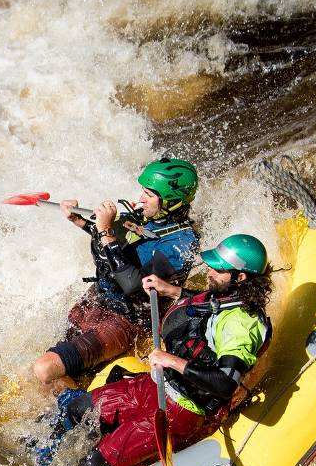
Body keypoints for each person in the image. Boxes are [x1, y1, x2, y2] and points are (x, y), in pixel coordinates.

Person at [46, 234, 274, 466]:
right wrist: (171, 290)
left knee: (93, 465)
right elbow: (208, 306)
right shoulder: (228, 296)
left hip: (180, 410)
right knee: (77, 408)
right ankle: (39, 460)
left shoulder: (242, 325)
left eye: (218, 268)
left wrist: (171, 360)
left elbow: (224, 384)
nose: (209, 270)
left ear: (240, 277)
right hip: (156, 385)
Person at [31, 158, 201, 396]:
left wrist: (106, 231)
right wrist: (82, 221)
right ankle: (74, 400)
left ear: (171, 202)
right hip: (98, 300)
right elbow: (115, 245)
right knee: (56, 361)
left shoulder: (181, 244)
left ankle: (83, 417)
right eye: (143, 191)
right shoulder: (148, 217)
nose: (141, 198)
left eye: (149, 194)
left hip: (125, 318)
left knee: (45, 369)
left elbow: (133, 283)